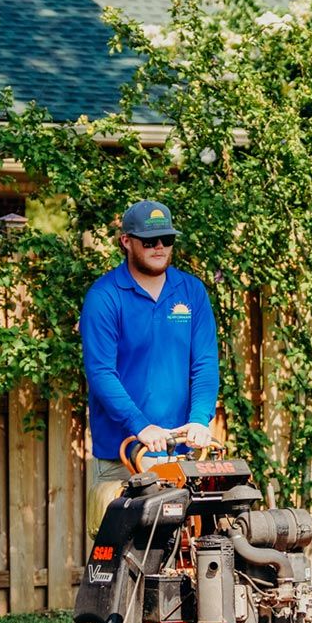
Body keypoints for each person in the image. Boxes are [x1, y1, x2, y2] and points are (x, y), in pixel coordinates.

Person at [81, 200, 220, 533]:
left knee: (189, 561)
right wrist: (140, 426)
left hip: (183, 456)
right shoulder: (105, 297)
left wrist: (200, 419)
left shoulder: (191, 292)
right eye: (149, 240)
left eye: (166, 240)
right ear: (126, 241)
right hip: (125, 458)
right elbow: (101, 373)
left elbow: (204, 364)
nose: (159, 247)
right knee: (127, 564)